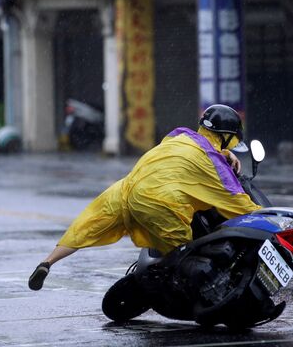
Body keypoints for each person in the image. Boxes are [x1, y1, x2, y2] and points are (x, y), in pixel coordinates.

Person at [29, 104, 262, 291]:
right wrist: (275, 221)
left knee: (87, 227)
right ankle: (181, 292)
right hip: (159, 200)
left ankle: (47, 262)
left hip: (127, 188)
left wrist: (224, 153)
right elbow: (237, 201)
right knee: (183, 252)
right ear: (225, 136)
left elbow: (203, 149)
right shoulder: (214, 164)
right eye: (230, 141)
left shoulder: (180, 135)